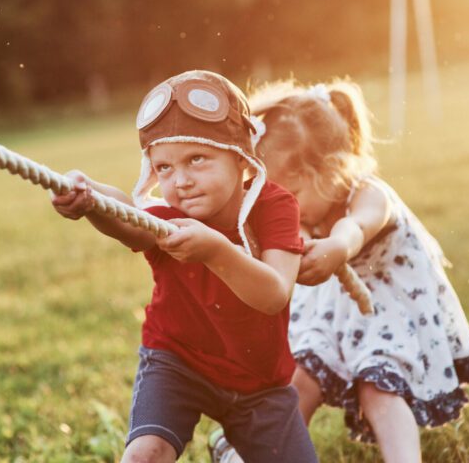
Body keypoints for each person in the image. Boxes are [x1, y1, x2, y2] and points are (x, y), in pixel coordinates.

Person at [209, 79, 469, 463]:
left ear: (330, 170)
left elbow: (356, 228)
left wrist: (337, 248)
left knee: (378, 389)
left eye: (291, 197)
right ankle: (258, 453)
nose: (286, 211)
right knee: (299, 379)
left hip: (388, 310)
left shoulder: (371, 195)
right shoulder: (302, 213)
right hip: (331, 309)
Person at [51, 70, 318, 463]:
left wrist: (217, 251)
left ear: (241, 159)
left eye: (197, 159)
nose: (181, 181)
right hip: (178, 361)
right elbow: (126, 215)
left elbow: (274, 294)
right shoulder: (165, 217)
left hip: (260, 381)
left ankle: (230, 451)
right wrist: (90, 196)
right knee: (146, 453)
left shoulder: (274, 206)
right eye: (164, 168)